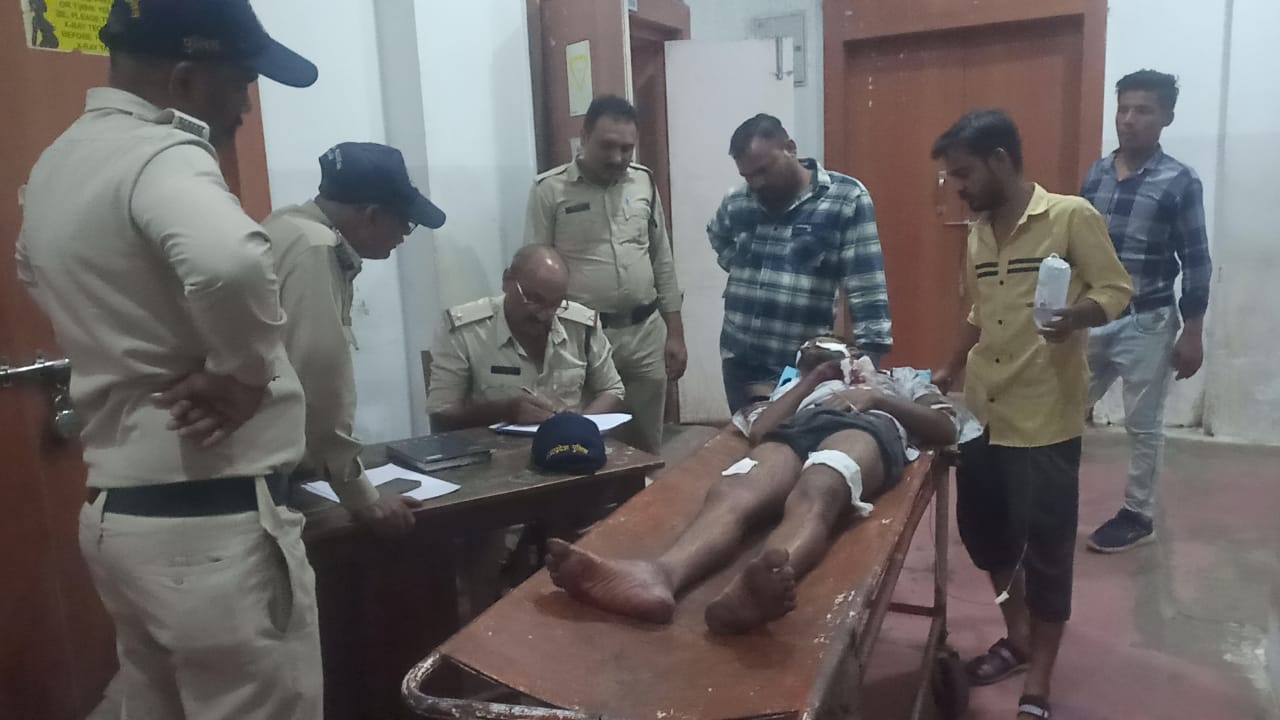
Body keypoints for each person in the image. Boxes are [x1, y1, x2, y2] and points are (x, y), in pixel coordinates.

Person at [15, 1, 324, 717]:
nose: (245, 105)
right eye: (240, 81)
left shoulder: (60, 161)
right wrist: (244, 374)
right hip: (212, 524)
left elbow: (31, 268)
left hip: (122, 521)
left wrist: (125, 340)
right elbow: (230, 263)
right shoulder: (163, 152)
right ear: (184, 79)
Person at [544, 336, 966, 635]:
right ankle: (658, 576)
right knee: (736, 490)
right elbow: (762, 429)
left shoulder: (899, 378)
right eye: (809, 350)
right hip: (797, 428)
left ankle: (759, 584)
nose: (816, 349)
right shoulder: (796, 385)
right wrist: (811, 380)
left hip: (870, 425)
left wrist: (876, 397)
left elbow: (946, 427)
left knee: (821, 485)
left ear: (855, 353)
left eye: (828, 345)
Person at [930, 110, 1133, 720]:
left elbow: (1116, 290)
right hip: (982, 413)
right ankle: (1016, 636)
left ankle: (1038, 682)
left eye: (963, 173)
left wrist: (1077, 317)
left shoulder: (1070, 216)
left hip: (1044, 417)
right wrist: (948, 370)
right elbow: (978, 312)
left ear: (1000, 160)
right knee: (985, 536)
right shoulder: (978, 233)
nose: (957, 187)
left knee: (1047, 553)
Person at [261, 142, 447, 538]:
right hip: (260, 477)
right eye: (406, 223)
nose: (404, 236)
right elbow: (318, 382)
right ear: (372, 215)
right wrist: (362, 496)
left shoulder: (285, 227)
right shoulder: (315, 248)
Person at [1081, 70, 1212, 553]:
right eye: (1123, 109)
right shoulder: (1096, 174)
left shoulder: (1179, 181)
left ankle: (1138, 515)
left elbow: (1195, 259)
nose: (1129, 120)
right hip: (1093, 317)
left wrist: (1192, 332)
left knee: (1143, 425)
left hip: (1148, 321)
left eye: (1143, 110)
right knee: (1062, 408)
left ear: (1166, 118)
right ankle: (1046, 498)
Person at [525, 95, 685, 454]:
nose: (617, 157)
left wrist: (675, 332)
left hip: (645, 334)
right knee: (583, 439)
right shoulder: (549, 190)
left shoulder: (643, 182)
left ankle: (645, 492)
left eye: (626, 148)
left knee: (647, 442)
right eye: (607, 146)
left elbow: (662, 258)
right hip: (581, 336)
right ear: (584, 136)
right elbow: (534, 268)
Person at [708, 114, 893, 413]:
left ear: (790, 149)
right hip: (740, 356)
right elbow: (717, 234)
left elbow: (866, 285)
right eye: (747, 176)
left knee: (798, 436)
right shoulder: (738, 201)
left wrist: (869, 357)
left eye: (763, 170)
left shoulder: (845, 199)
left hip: (803, 366)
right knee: (748, 435)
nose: (756, 183)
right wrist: (743, 270)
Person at [426, 245, 626, 431]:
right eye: (534, 300)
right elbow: (441, 417)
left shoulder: (581, 325)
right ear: (507, 281)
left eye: (555, 304)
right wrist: (504, 411)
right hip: (495, 451)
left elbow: (612, 389)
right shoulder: (466, 331)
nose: (544, 315)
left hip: (571, 448)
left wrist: (578, 428)